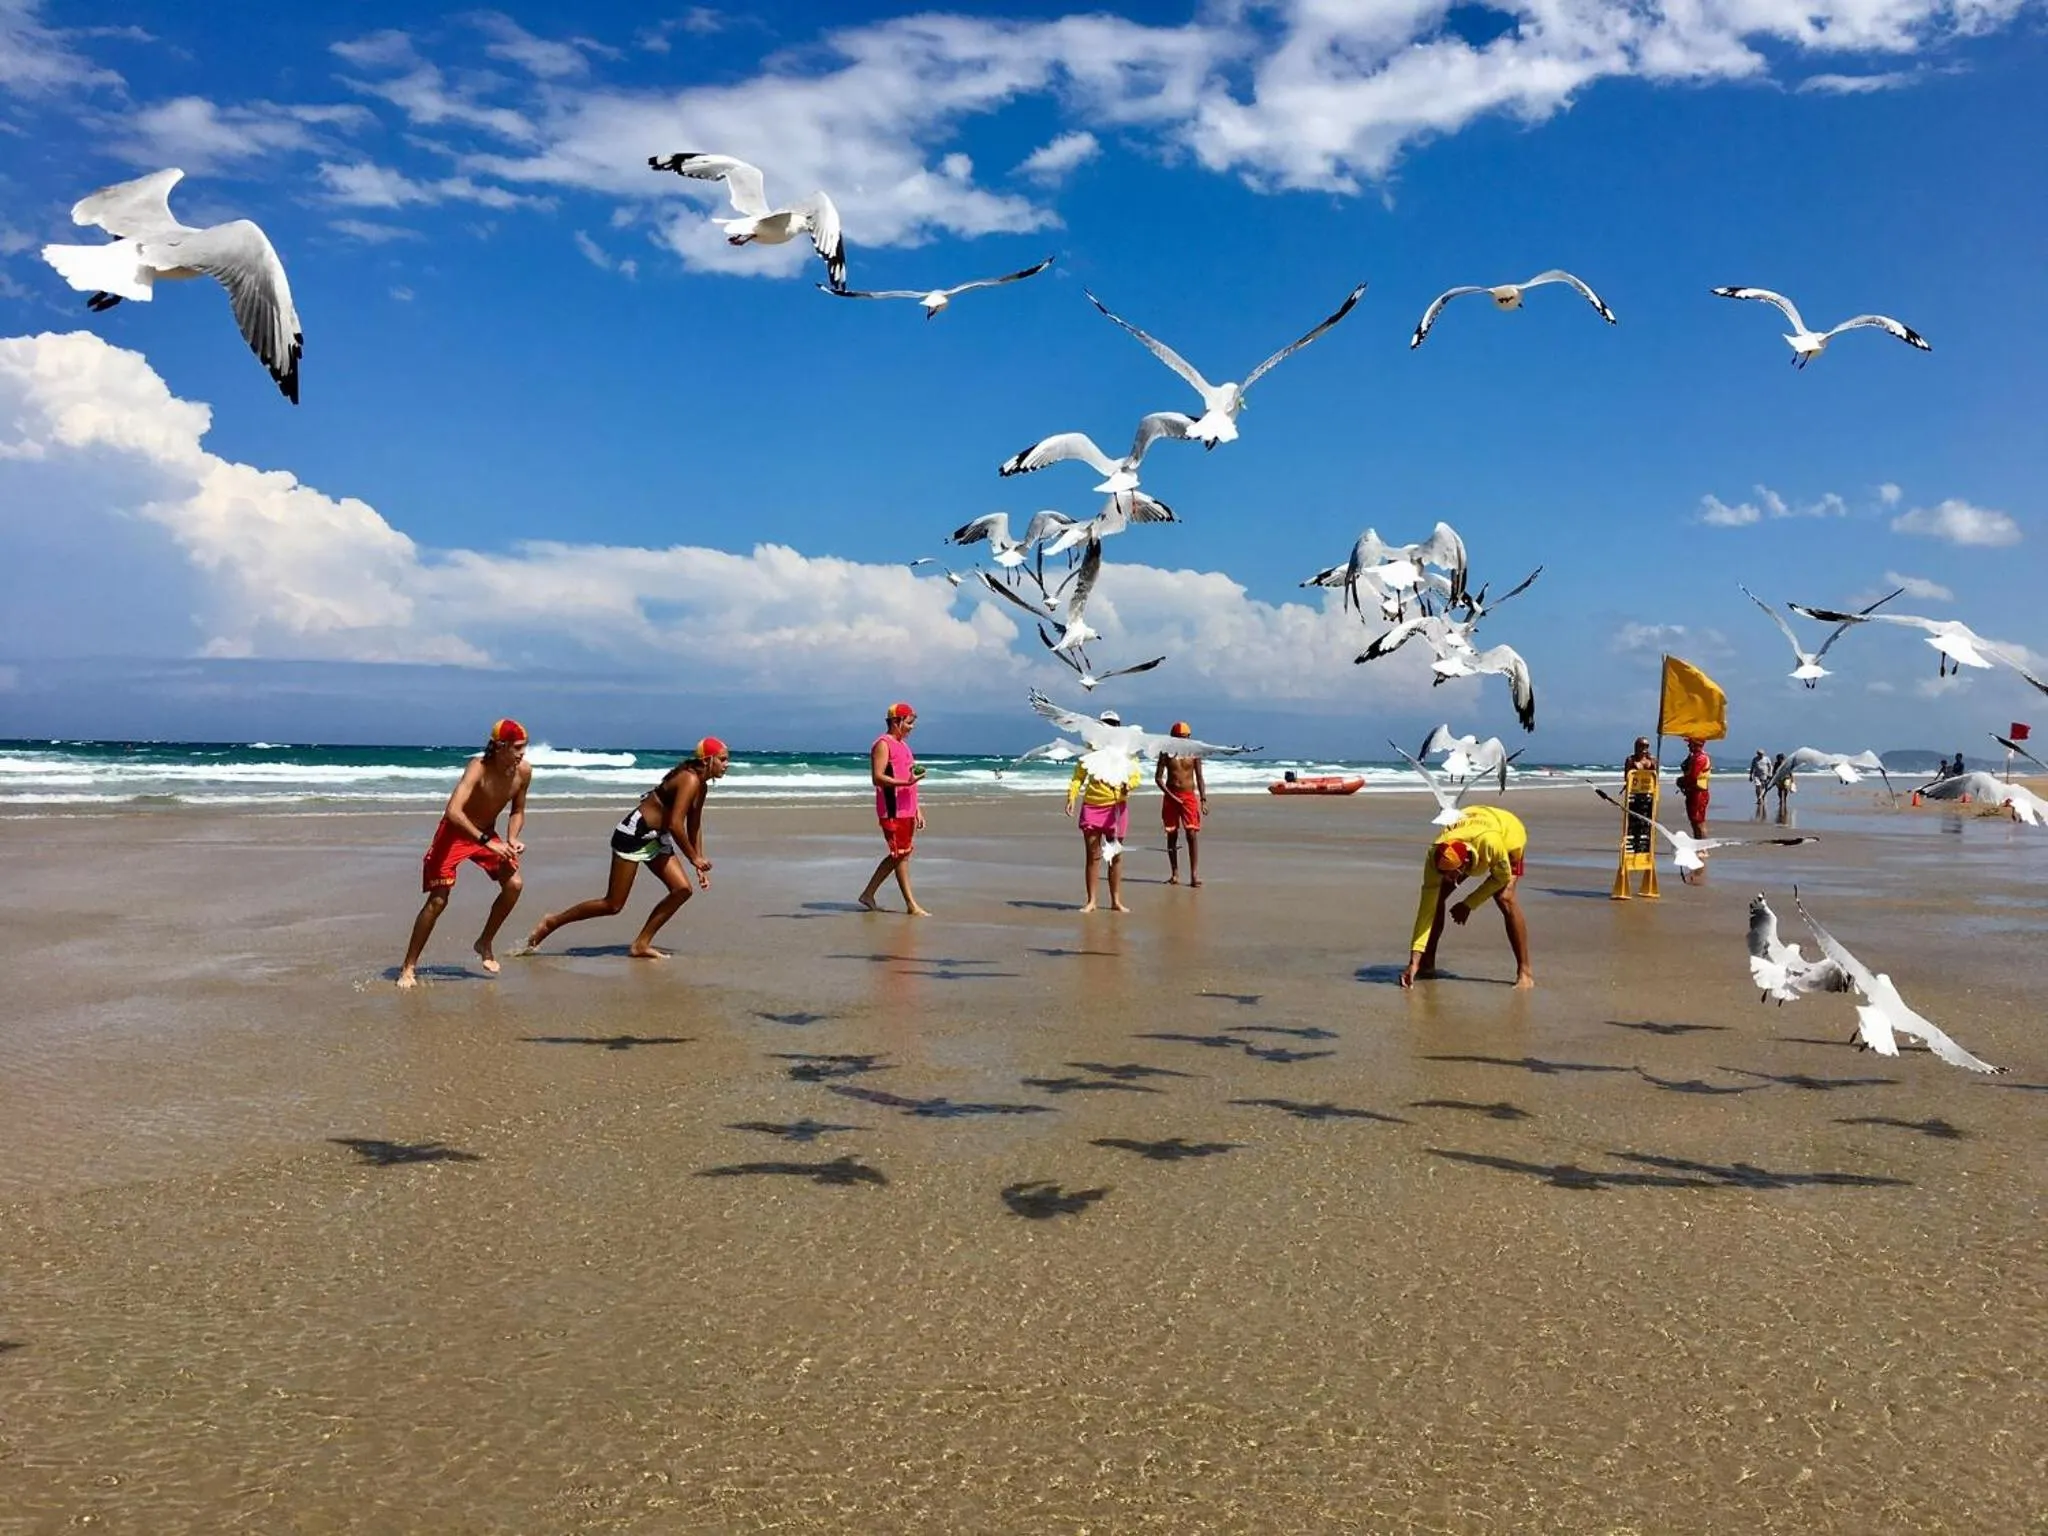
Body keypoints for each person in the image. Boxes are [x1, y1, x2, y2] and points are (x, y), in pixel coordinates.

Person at [522, 738, 729, 960]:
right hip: (633, 835)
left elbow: (693, 824)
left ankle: (641, 945)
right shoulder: (689, 779)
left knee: (682, 890)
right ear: (708, 760)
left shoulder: (702, 785)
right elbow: (675, 824)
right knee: (612, 905)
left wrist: (698, 859)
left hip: (656, 838)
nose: (727, 765)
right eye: (723, 759)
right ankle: (552, 921)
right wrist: (692, 858)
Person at [397, 718, 533, 988]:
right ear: (500, 746)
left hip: (487, 835)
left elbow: (517, 810)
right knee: (438, 900)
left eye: (524, 748)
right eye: (517, 748)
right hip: (455, 834)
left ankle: (484, 942)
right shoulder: (477, 768)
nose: (522, 754)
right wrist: (487, 841)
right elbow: (453, 811)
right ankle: (408, 966)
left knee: (514, 885)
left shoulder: (524, 772)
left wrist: (512, 838)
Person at [1401, 804, 1532, 990]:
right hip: (1470, 824)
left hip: (1507, 833)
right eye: (1443, 873)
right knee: (1437, 897)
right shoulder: (1434, 854)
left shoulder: (1490, 844)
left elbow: (1500, 877)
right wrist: (1414, 959)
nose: (1446, 878)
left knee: (1504, 897)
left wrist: (1469, 904)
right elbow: (1426, 910)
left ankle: (1525, 972)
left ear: (1466, 864)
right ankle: (1425, 965)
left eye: (1451, 874)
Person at [1066, 709, 1144, 913]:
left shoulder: (1128, 751)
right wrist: (1071, 797)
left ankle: (1115, 901)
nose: (1109, 728)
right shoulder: (1091, 749)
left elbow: (1136, 774)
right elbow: (1078, 776)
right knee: (1093, 856)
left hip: (1116, 807)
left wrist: (1130, 785)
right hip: (1092, 806)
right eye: (1105, 724)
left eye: (1113, 725)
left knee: (1115, 856)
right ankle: (1091, 901)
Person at [858, 702, 929, 915]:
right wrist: (906, 784)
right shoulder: (882, 744)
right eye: (909, 723)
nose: (912, 727)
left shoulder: (904, 746)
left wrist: (917, 808)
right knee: (900, 854)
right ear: (896, 722)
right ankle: (910, 904)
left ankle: (868, 894)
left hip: (907, 809)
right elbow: (877, 778)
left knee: (902, 854)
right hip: (892, 809)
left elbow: (909, 778)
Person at [1156, 721, 1208, 887]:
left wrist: (1203, 799)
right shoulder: (1166, 753)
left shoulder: (1194, 752)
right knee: (1172, 835)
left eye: (1184, 738)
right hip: (1171, 796)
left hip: (1188, 796)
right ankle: (1175, 873)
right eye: (1178, 738)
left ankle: (1194, 875)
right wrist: (1170, 795)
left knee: (1191, 834)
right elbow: (1158, 778)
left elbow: (1199, 777)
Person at [1677, 736, 1712, 838]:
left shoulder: (1700, 758)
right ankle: (1698, 843)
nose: (1688, 745)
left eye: (1690, 743)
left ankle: (1703, 848)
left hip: (1699, 792)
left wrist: (1681, 781)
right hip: (1693, 792)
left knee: (1698, 820)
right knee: (1694, 820)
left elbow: (1693, 776)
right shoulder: (1694, 757)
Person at [1749, 748, 1773, 816]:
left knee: (1763, 787)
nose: (1761, 755)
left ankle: (1760, 798)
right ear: (1757, 754)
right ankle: (1759, 798)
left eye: (1762, 754)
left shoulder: (1766, 759)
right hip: (1756, 775)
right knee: (1757, 786)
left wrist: (1770, 774)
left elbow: (1770, 766)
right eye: (1759, 754)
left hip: (1764, 775)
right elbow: (1752, 767)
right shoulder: (1755, 759)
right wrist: (1750, 775)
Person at [1774, 751, 1796, 820]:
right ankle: (1781, 799)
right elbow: (1774, 771)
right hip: (1779, 778)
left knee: (1786, 789)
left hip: (1787, 778)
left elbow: (1790, 771)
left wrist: (1792, 779)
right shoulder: (1776, 764)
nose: (1780, 760)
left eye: (1781, 758)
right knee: (1780, 790)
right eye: (1779, 758)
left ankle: (1784, 799)